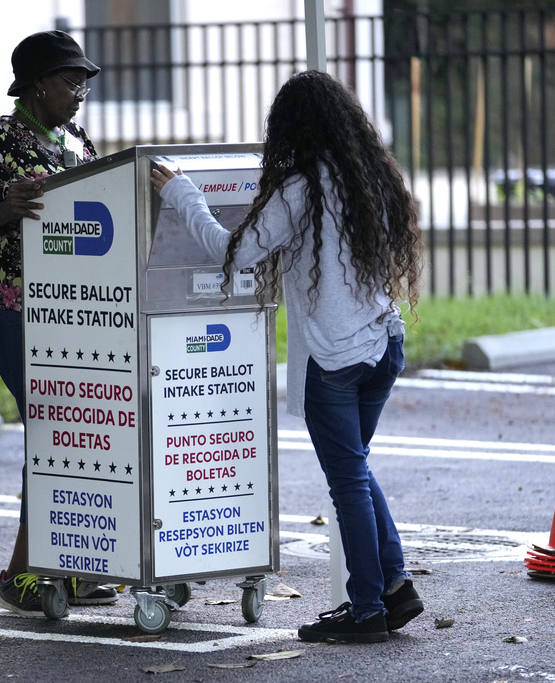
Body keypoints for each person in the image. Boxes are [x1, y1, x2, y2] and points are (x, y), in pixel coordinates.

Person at [150, 70, 424, 643]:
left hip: (336, 359)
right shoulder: (367, 176)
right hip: (383, 344)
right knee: (357, 468)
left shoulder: (301, 188)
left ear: (291, 128)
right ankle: (395, 587)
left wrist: (181, 192)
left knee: (348, 479)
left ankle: (368, 608)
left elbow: (235, 250)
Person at [0, 30, 117, 617]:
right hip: (14, 311)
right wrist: (7, 208)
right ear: (37, 85)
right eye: (71, 83)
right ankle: (21, 573)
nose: (79, 95)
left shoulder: (75, 139)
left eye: (85, 85)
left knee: (78, 430)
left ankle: (70, 566)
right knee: (49, 429)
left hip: (74, 313)